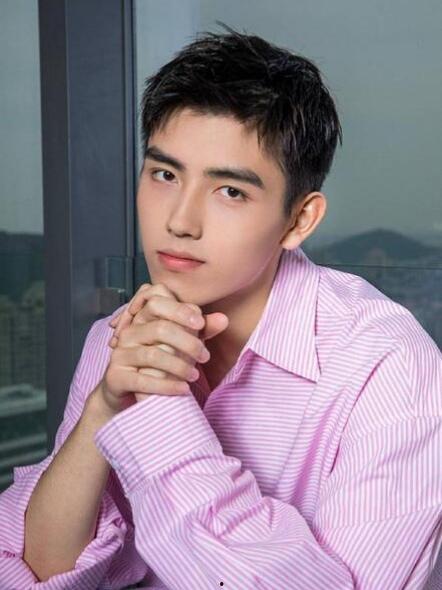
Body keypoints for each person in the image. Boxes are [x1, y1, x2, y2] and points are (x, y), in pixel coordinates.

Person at [1, 22, 441, 590]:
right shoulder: (124, 335)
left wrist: (161, 407)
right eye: (164, 174)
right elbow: (34, 568)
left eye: (230, 191)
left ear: (299, 220)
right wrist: (104, 407)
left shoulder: (391, 370)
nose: (179, 221)